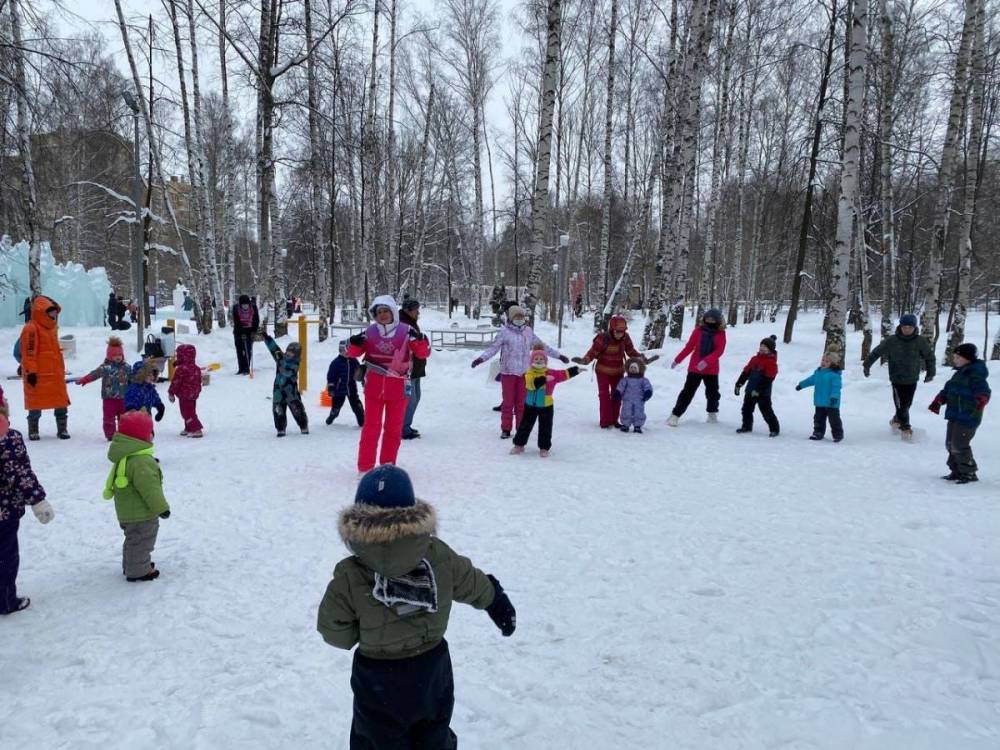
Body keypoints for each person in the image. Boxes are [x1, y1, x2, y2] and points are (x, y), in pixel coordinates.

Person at [317, 466, 516, 749]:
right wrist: (497, 601)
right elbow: (473, 583)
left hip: (378, 679)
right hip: (431, 669)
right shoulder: (438, 555)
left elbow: (333, 630)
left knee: (377, 738)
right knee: (433, 731)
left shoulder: (349, 575)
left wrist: (354, 635)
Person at [346, 295, 430, 473]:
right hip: (374, 389)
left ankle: (387, 465)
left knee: (393, 429)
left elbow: (422, 354)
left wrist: (421, 340)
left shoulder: (406, 331)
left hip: (398, 389)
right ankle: (365, 467)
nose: (382, 315)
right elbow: (352, 353)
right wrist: (352, 344)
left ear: (393, 311)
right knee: (371, 429)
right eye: (379, 312)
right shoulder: (370, 332)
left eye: (386, 311)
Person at [472, 305, 566, 439]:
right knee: (508, 402)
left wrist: (558, 356)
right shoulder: (504, 332)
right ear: (511, 318)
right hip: (508, 372)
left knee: (522, 404)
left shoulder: (528, 331)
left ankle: (521, 429)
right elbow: (493, 348)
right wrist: (481, 358)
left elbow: (542, 345)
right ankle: (506, 428)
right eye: (517, 317)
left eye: (521, 316)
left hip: (524, 374)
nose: (520, 319)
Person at [0, 399, 54, 614]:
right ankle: (5, 601)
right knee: (5, 557)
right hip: (4, 514)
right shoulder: (9, 439)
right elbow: (20, 474)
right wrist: (38, 500)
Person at [104, 410, 170, 581]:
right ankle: (138, 570)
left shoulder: (126, 456)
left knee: (133, 539)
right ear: (141, 437)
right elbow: (150, 489)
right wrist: (162, 509)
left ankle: (131, 565)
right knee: (142, 540)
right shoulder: (141, 461)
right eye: (150, 433)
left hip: (128, 512)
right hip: (141, 513)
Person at [863, 313, 935, 440]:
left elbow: (929, 357)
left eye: (910, 327)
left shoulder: (920, 341)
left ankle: (896, 419)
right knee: (901, 405)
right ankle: (905, 428)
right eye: (904, 326)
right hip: (896, 378)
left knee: (907, 404)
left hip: (912, 378)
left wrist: (931, 372)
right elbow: (877, 352)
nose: (907, 329)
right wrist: (867, 365)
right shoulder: (892, 340)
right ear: (900, 326)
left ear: (914, 328)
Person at [572, 315, 650, 429]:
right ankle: (605, 421)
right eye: (618, 331)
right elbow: (592, 352)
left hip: (618, 371)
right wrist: (585, 360)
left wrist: (641, 358)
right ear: (612, 329)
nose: (620, 334)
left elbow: (630, 351)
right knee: (604, 395)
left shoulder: (625, 338)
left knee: (617, 395)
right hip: (602, 370)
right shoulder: (602, 338)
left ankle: (614, 420)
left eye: (622, 331)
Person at [929, 342, 990, 484]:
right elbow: (948, 389)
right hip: (954, 415)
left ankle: (969, 473)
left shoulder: (976, 374)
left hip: (969, 416)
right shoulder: (958, 374)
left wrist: (981, 398)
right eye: (954, 357)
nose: (955, 360)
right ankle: (956, 470)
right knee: (950, 444)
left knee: (959, 444)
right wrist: (939, 400)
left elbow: (983, 390)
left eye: (958, 357)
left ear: (967, 358)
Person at [511, 345, 581, 456]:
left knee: (546, 427)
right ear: (532, 360)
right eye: (536, 359)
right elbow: (531, 385)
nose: (539, 361)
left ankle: (544, 448)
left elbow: (563, 374)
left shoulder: (551, 373)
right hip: (531, 405)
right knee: (525, 425)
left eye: (541, 359)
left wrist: (576, 370)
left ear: (545, 360)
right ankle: (519, 445)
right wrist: (544, 379)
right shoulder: (529, 373)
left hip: (547, 406)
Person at [20, 295, 71, 440]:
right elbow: (28, 353)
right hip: (38, 375)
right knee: (35, 403)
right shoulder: (31, 328)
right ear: (42, 311)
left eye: (55, 311)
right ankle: (33, 430)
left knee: (61, 402)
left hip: (54, 374)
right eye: (52, 311)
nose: (55, 314)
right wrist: (31, 372)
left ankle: (62, 430)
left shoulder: (51, 327)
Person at [667, 308, 727, 427]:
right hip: (695, 368)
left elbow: (719, 351)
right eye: (708, 318)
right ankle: (675, 415)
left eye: (712, 319)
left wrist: (706, 361)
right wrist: (677, 360)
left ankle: (712, 414)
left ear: (718, 320)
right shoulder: (698, 331)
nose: (709, 320)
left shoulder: (721, 334)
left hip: (711, 369)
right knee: (687, 392)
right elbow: (689, 347)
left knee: (712, 393)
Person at [76, 336, 131, 440]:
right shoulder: (105, 368)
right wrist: (85, 379)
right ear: (110, 356)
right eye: (115, 355)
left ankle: (124, 434)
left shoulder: (127, 367)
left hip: (124, 398)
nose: (118, 357)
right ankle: (110, 435)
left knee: (124, 418)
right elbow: (95, 374)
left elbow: (133, 378)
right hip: (109, 398)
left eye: (120, 354)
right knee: (108, 418)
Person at [263, 332, 308, 437]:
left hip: (291, 392)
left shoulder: (295, 363)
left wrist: (281, 366)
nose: (288, 353)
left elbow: (288, 372)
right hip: (278, 391)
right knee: (278, 409)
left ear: (296, 354)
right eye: (287, 351)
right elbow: (274, 349)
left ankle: (303, 425)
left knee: (297, 409)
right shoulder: (281, 358)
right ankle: (280, 428)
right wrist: (266, 337)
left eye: (291, 352)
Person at [734, 335, 781, 437]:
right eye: (761, 346)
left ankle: (774, 429)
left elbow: (769, 379)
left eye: (765, 347)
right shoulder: (754, 359)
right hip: (750, 390)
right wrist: (739, 384)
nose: (762, 348)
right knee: (746, 409)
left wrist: (758, 390)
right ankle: (746, 426)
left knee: (766, 411)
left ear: (770, 350)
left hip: (763, 393)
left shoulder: (771, 363)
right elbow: (746, 372)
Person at [796, 351, 844, 442]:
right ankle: (818, 432)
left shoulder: (834, 375)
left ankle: (838, 434)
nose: (823, 362)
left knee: (834, 420)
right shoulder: (818, 373)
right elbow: (810, 380)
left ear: (832, 364)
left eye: (827, 361)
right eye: (823, 360)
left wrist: (834, 397)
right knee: (818, 418)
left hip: (831, 402)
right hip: (820, 401)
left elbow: (836, 387)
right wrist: (801, 385)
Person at [399, 298, 426, 439]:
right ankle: (402, 428)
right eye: (416, 309)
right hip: (407, 371)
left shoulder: (411, 322)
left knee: (416, 397)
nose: (418, 312)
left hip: (416, 369)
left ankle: (405, 425)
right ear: (409, 310)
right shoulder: (403, 324)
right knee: (410, 399)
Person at [167, 344, 204, 438]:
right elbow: (199, 381)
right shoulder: (196, 368)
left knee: (186, 412)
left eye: (178, 355)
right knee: (191, 411)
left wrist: (171, 392)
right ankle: (188, 428)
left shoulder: (181, 369)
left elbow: (176, 382)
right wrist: (198, 391)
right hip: (193, 394)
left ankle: (196, 429)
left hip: (184, 395)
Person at [325, 341, 365, 427]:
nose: (347, 353)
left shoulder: (353, 361)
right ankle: (332, 415)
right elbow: (331, 376)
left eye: (349, 351)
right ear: (340, 351)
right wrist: (331, 387)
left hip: (351, 388)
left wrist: (363, 379)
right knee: (336, 406)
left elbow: (359, 372)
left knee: (357, 406)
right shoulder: (335, 363)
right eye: (345, 351)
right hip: (339, 389)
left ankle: (362, 421)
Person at [614, 358, 653, 433]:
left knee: (639, 412)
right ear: (628, 369)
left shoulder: (643, 380)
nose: (633, 369)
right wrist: (618, 392)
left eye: (635, 368)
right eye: (631, 368)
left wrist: (648, 392)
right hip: (627, 399)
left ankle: (637, 426)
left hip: (639, 400)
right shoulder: (626, 379)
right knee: (626, 411)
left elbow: (648, 387)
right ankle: (626, 425)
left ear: (639, 369)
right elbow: (620, 386)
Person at [125, 359, 166, 424]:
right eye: (149, 375)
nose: (152, 377)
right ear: (141, 375)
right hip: (135, 419)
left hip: (147, 419)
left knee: (148, 433)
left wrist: (160, 407)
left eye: (153, 375)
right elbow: (129, 399)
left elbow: (155, 398)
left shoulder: (150, 388)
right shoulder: (134, 388)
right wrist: (131, 409)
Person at [231, 294, 260, 375]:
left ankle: (247, 368)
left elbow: (256, 320)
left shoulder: (253, 307)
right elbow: (237, 322)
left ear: (249, 303)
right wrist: (242, 332)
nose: (245, 306)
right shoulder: (236, 308)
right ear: (240, 304)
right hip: (238, 331)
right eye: (243, 305)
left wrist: (253, 332)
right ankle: (241, 368)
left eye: (246, 304)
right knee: (240, 350)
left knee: (248, 349)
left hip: (250, 331)